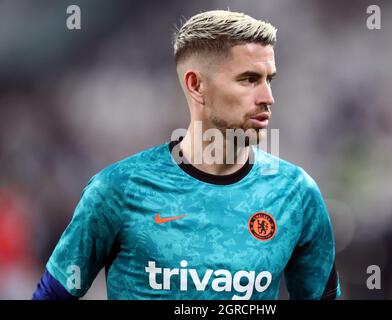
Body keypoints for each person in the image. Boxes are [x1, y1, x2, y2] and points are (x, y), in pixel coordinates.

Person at [32, 10, 340, 300]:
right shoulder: (118, 190)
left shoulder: (296, 193)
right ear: (196, 85)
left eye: (269, 79)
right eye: (249, 79)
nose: (268, 98)